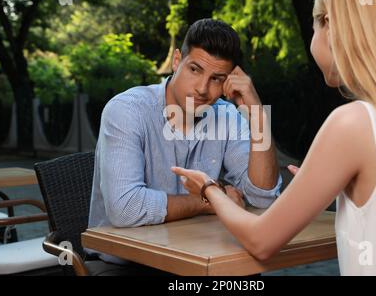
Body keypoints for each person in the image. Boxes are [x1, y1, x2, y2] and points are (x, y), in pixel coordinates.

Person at [172, 0, 376, 276]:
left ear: (330, 26)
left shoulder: (352, 122)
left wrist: (209, 190)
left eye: (315, 25)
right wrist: (342, 188)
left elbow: (261, 241)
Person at [88, 18, 282, 264]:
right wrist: (211, 200)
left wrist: (257, 114)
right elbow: (125, 209)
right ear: (177, 61)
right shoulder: (127, 110)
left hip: (197, 259)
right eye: (195, 69)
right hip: (125, 265)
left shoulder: (227, 116)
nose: (202, 88)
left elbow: (263, 197)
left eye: (217, 78)